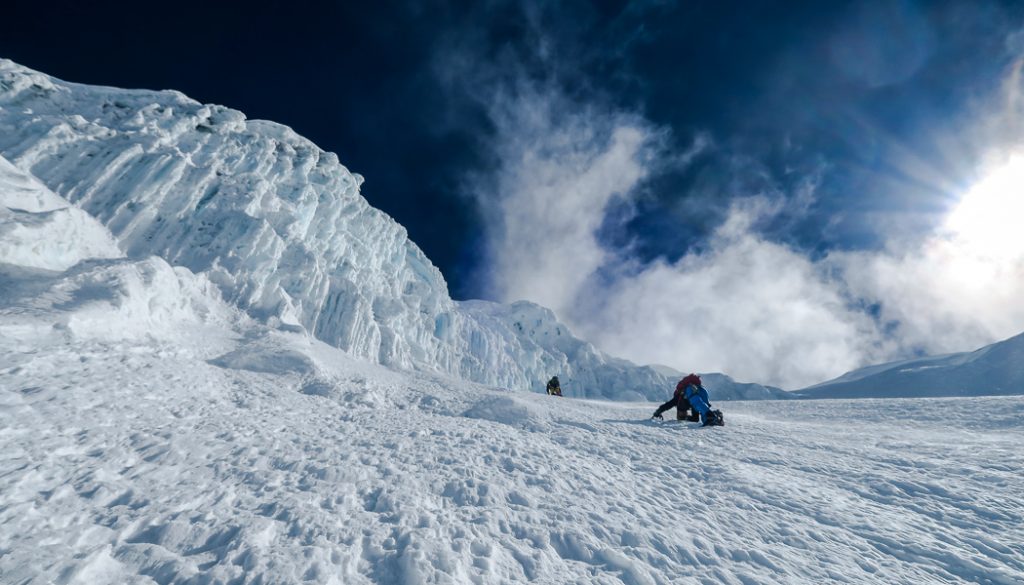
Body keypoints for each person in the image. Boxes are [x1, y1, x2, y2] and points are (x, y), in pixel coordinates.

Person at [652, 373, 723, 426]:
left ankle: (711, 415)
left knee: (697, 402)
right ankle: (715, 416)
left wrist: (657, 412)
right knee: (705, 417)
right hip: (702, 390)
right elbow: (696, 418)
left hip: (694, 391)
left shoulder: (679, 397)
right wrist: (687, 418)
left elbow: (668, 405)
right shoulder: (690, 404)